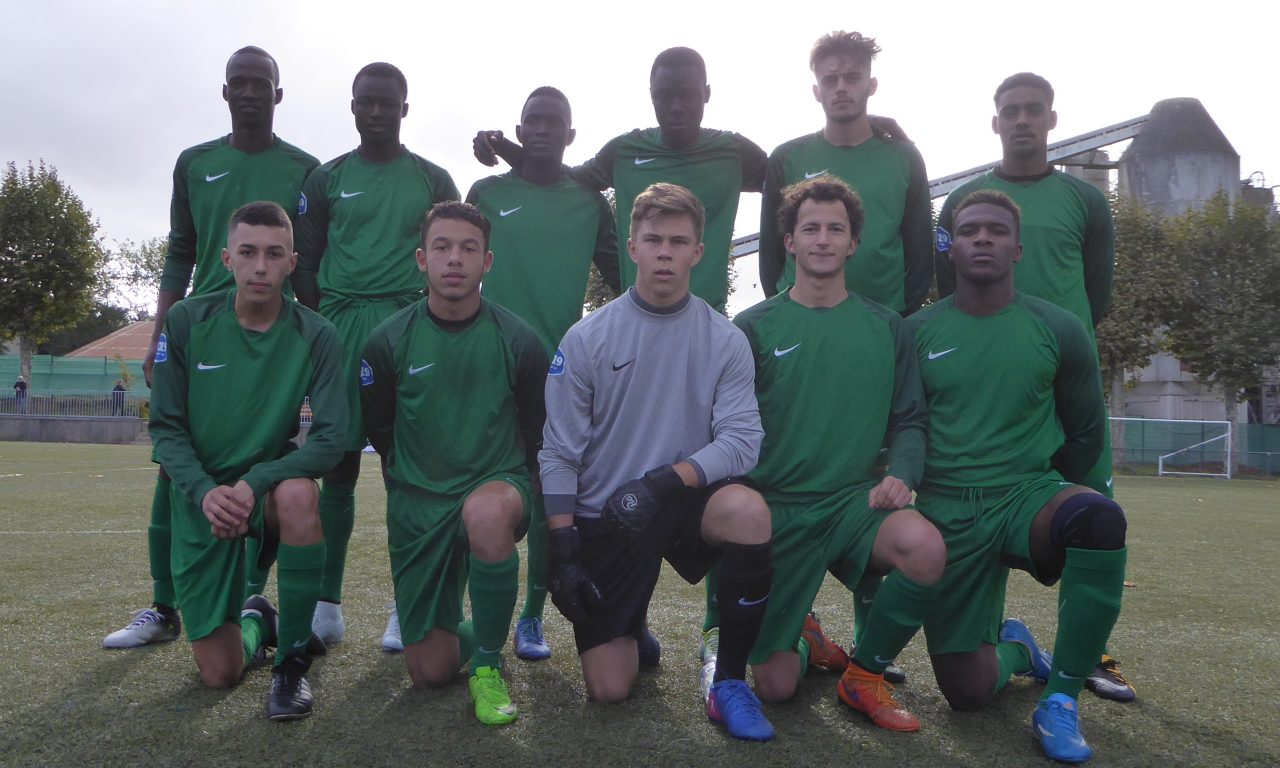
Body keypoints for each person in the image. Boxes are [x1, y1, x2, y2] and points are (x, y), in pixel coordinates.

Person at [539, 183, 776, 741]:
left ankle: (730, 684)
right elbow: (558, 452)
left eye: (678, 241)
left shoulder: (725, 339)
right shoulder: (586, 337)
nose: (665, 251)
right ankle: (631, 624)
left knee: (746, 510)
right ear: (633, 247)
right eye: (653, 239)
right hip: (610, 515)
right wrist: (564, 546)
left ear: (698, 251)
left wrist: (665, 481)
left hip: (680, 502)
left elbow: (743, 441)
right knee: (610, 689)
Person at [106, 46, 319, 650]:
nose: (250, 93)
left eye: (262, 84)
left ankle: (251, 591)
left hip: (275, 338)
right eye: (239, 83)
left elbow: (307, 262)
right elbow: (179, 250)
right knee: (176, 466)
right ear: (225, 92)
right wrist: (160, 330)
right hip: (201, 335)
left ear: (279, 95)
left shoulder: (305, 169)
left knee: (267, 460)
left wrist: (315, 335)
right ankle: (161, 606)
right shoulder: (194, 162)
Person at [933, 72, 1133, 702]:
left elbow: (1094, 292)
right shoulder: (963, 199)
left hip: (1062, 376)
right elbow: (949, 288)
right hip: (991, 386)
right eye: (1010, 111)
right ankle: (1002, 640)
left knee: (1089, 513)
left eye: (1033, 110)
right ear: (995, 121)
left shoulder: (1086, 201)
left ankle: (1086, 657)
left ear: (1051, 119)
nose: (1021, 120)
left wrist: (1053, 345)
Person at [910, 191, 1128, 762]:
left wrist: (1051, 498)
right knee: (968, 693)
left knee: (1098, 520)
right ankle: (1018, 650)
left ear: (1018, 248)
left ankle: (1060, 699)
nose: (983, 238)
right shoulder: (913, 333)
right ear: (950, 249)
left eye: (997, 231)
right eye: (970, 230)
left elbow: (1085, 433)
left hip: (1024, 500)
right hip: (946, 515)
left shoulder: (1058, 328)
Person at [730, 177, 942, 732]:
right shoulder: (751, 327)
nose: (823, 239)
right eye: (811, 229)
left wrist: (902, 471)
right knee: (775, 688)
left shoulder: (886, 327)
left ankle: (864, 675)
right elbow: (726, 426)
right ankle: (807, 639)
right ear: (790, 242)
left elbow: (910, 419)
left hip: (854, 503)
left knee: (924, 547)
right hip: (778, 512)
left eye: (836, 230)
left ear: (853, 244)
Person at [149, 201, 348, 720]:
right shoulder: (187, 321)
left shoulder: (317, 333)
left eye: (273, 254)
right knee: (219, 675)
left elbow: (331, 439)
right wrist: (205, 491)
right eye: (249, 252)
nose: (261, 266)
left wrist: (256, 481)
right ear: (226, 259)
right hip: (203, 503)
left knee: (301, 492)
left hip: (261, 496)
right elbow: (165, 428)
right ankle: (260, 619)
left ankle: (291, 664)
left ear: (291, 262)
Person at [360, 201, 547, 725]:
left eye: (469, 249)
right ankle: (480, 633)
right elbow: (382, 431)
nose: (454, 259)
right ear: (422, 259)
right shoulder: (387, 341)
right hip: (420, 504)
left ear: (487, 262)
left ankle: (488, 666)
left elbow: (537, 436)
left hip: (496, 485)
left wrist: (522, 498)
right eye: (442, 247)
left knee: (486, 514)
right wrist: (410, 488)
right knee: (429, 672)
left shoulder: (520, 341)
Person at [293, 62, 460, 648]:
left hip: (410, 327)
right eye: (367, 102)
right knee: (336, 465)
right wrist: (324, 329)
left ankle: (405, 604)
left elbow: (451, 256)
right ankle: (325, 604)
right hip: (341, 326)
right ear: (354, 106)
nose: (378, 112)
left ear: (405, 108)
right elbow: (305, 266)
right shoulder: (326, 179)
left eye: (389, 103)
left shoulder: (433, 178)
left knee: (406, 471)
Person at [465, 86, 620, 662]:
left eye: (555, 122)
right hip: (485, 360)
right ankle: (442, 605)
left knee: (551, 488)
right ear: (520, 128)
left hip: (559, 369)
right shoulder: (486, 192)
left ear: (570, 136)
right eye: (533, 121)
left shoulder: (588, 202)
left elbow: (620, 276)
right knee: (470, 481)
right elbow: (458, 256)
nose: (543, 130)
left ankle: (531, 618)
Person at [474, 47, 765, 313]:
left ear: (707, 93)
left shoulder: (735, 153)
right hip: (639, 323)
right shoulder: (625, 152)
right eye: (664, 95)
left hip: (707, 323)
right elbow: (565, 177)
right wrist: (509, 148)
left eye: (686, 94)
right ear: (651, 95)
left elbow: (791, 196)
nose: (676, 106)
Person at [758, 30, 931, 315]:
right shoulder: (785, 158)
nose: (841, 87)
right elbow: (771, 254)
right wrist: (784, 311)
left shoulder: (905, 157)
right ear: (816, 91)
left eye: (852, 77)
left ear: (871, 85)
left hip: (883, 319)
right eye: (830, 79)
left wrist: (900, 317)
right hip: (800, 321)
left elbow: (920, 253)